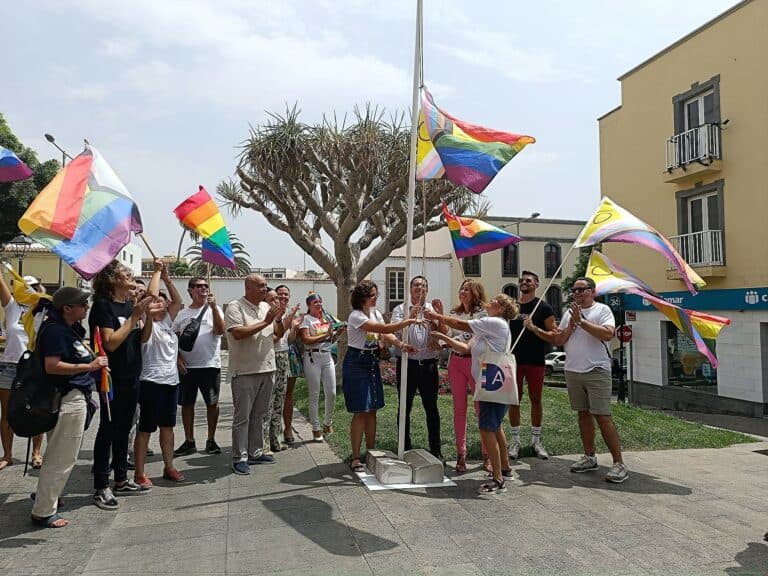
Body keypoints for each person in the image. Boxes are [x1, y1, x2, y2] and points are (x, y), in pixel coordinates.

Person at [31, 287, 108, 528]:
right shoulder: (55, 331)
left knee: (60, 454)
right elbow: (52, 366)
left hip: (74, 397)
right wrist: (89, 367)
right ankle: (43, 510)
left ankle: (48, 497)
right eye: (83, 305)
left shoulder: (67, 330)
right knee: (61, 457)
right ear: (67, 308)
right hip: (67, 398)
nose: (86, 309)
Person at [427, 294, 519, 494]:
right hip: (491, 382)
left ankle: (497, 479)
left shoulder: (495, 322)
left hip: (492, 382)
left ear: (501, 308)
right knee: (495, 427)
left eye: (495, 301)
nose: (490, 301)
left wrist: (437, 316)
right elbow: (465, 347)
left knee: (486, 428)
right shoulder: (487, 328)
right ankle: (505, 468)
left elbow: (462, 324)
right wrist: (443, 338)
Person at [550, 277, 628, 483]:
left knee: (602, 416)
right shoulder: (569, 313)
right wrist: (569, 327)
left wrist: (582, 322)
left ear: (592, 292)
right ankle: (589, 456)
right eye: (574, 290)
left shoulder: (602, 311)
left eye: (581, 289)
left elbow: (608, 335)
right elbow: (558, 340)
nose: (576, 293)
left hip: (596, 370)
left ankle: (619, 463)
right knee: (583, 414)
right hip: (573, 370)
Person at [89, 261, 152, 509]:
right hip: (112, 378)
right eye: (125, 273)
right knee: (108, 429)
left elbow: (143, 338)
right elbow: (110, 343)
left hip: (132, 374)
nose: (131, 275)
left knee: (125, 428)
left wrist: (145, 316)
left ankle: (121, 479)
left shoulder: (129, 305)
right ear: (112, 279)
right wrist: (134, 316)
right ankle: (101, 485)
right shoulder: (103, 306)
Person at [342, 280, 417, 473]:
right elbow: (382, 330)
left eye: (376, 294)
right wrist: (407, 321)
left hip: (371, 361)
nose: (376, 298)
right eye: (373, 295)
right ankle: (356, 457)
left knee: (372, 408)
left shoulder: (375, 313)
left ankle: (371, 452)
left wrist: (401, 345)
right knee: (361, 410)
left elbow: (387, 336)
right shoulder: (356, 316)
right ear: (363, 298)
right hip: (357, 362)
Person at [133, 261, 185, 489]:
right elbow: (151, 295)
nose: (161, 301)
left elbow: (179, 301)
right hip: (151, 382)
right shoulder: (145, 322)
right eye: (157, 300)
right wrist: (155, 272)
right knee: (145, 429)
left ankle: (169, 466)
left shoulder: (166, 323)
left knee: (168, 427)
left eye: (163, 300)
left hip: (171, 381)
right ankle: (140, 472)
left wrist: (167, 278)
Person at [224, 275, 282, 475]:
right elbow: (238, 333)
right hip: (245, 371)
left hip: (267, 368)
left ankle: (255, 452)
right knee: (243, 417)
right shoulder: (235, 307)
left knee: (259, 414)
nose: (265, 289)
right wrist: (266, 322)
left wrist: (279, 319)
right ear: (248, 288)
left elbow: (277, 334)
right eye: (260, 286)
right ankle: (238, 457)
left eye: (266, 286)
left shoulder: (266, 307)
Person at [391, 276, 446, 461]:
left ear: (427, 289)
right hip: (407, 364)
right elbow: (396, 332)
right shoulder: (400, 309)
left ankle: (435, 448)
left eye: (423, 285)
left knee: (431, 408)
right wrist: (412, 314)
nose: (419, 288)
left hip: (429, 365)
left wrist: (440, 315)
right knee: (404, 407)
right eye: (416, 285)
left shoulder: (432, 309)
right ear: (410, 288)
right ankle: (404, 447)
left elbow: (445, 334)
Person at [507, 270, 558, 461]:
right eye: (522, 280)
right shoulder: (512, 307)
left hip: (536, 360)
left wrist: (534, 328)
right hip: (514, 360)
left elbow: (554, 334)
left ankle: (536, 441)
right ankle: (515, 441)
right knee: (514, 400)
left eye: (529, 280)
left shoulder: (543, 308)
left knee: (536, 399)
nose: (524, 282)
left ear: (536, 284)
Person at [172, 276, 225, 457]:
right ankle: (189, 441)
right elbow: (173, 339)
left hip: (210, 365)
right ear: (190, 290)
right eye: (198, 286)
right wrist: (177, 358)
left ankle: (211, 439)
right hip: (188, 367)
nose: (203, 289)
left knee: (212, 403)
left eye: (205, 286)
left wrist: (214, 309)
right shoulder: (182, 314)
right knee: (187, 404)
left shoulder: (214, 309)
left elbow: (220, 330)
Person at [0, 272, 46, 470]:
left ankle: (36, 452)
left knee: (37, 411)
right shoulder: (12, 307)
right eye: (24, 286)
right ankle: (7, 455)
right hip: (10, 366)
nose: (28, 290)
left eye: (32, 286)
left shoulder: (42, 309)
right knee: (7, 413)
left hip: (34, 366)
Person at [445, 279, 489, 474]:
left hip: (476, 362)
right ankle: (461, 454)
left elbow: (468, 338)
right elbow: (446, 332)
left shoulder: (482, 314)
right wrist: (440, 320)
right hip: (455, 362)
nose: (463, 292)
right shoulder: (454, 313)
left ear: (476, 293)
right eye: (461, 288)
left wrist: (451, 338)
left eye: (467, 290)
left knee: (481, 409)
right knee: (459, 409)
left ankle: (487, 454)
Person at [300, 292, 343, 443]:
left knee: (331, 392)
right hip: (312, 357)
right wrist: (325, 335)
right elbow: (306, 339)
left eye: (320, 302)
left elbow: (332, 338)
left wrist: (338, 332)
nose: (319, 305)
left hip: (327, 355)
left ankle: (327, 423)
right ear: (309, 305)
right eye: (315, 303)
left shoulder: (327, 318)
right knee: (314, 394)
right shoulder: (306, 319)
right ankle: (316, 428)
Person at [263, 287, 298, 452]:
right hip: (270, 358)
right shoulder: (265, 316)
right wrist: (283, 321)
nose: (277, 301)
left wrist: (292, 324)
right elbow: (272, 338)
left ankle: (275, 439)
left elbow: (288, 339)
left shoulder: (282, 316)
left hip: (283, 356)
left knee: (279, 400)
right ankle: (263, 444)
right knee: (267, 402)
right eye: (273, 299)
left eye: (278, 298)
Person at [283, 302, 304, 446]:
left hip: (291, 356)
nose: (283, 297)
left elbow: (292, 339)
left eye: (286, 294)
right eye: (280, 294)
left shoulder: (294, 315)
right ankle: (274, 430)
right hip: (273, 355)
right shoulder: (267, 312)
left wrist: (296, 326)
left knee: (288, 394)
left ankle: (288, 428)